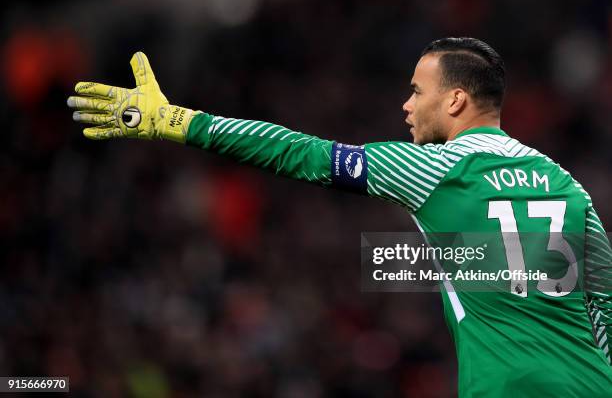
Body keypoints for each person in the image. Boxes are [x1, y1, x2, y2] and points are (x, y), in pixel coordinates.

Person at [67, 37, 612, 397]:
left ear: (455, 101)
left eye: (417, 91)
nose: (406, 104)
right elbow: (605, 311)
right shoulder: (569, 186)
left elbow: (299, 152)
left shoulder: (435, 168)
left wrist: (182, 122)